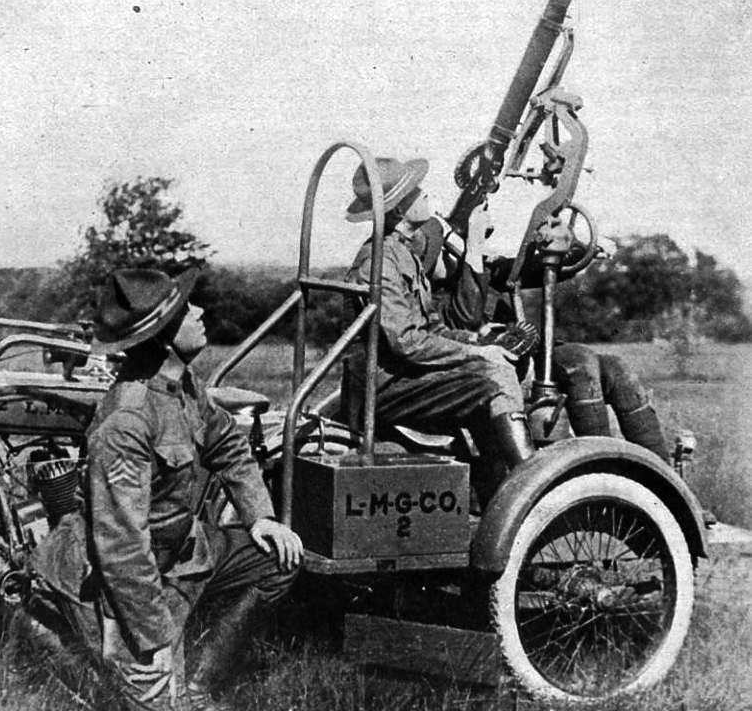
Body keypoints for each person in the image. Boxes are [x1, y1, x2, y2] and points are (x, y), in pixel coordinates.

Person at [33, 268, 303, 711]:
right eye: (184, 310)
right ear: (162, 337)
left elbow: (227, 442)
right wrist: (152, 636)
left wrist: (261, 517)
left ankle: (201, 685)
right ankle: (70, 637)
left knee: (278, 559)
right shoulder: (127, 420)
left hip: (177, 554)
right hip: (116, 585)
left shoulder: (181, 385)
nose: (199, 311)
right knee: (157, 703)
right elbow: (121, 547)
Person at [337, 157, 537, 503]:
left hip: (400, 376)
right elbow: (406, 342)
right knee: (496, 377)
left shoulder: (402, 253)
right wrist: (475, 354)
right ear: (399, 209)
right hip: (383, 386)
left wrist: (476, 340)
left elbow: (430, 327)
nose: (425, 193)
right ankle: (531, 490)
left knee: (492, 368)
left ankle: (499, 497)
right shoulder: (379, 262)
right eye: (416, 191)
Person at [408, 201, 672, 462]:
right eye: (444, 252)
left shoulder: (476, 271)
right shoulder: (428, 300)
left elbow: (527, 268)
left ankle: (662, 475)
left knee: (617, 369)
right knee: (579, 364)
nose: (453, 255)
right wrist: (474, 247)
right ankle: (601, 470)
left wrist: (579, 251)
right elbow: (466, 319)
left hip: (525, 358)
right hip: (494, 367)